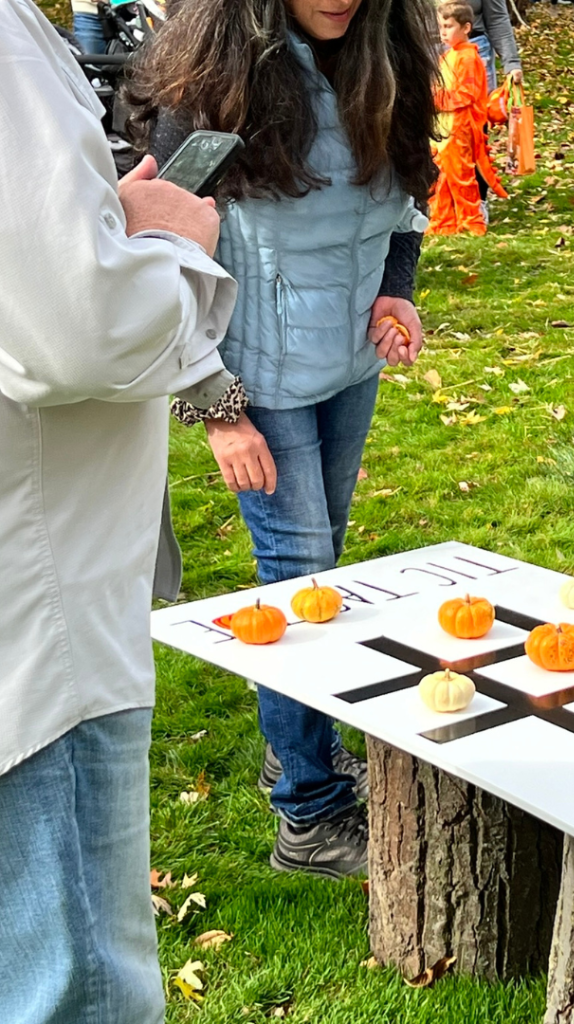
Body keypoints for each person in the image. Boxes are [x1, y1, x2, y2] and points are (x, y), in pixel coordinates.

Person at [127, 0, 437, 879]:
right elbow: (153, 253)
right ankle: (309, 813)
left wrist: (396, 294)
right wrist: (215, 406)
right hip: (253, 383)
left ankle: (294, 746)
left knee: (322, 575)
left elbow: (408, 201)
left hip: (347, 368)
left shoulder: (391, 63)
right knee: (297, 580)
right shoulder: (217, 85)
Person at [0, 1, 237, 1021]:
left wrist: (101, 221)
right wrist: (173, 241)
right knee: (77, 986)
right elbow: (81, 328)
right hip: (40, 646)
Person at [429, 2, 508, 236]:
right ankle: (442, 221)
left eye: (448, 26)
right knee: (440, 178)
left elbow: (467, 94)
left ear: (466, 28)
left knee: (462, 177)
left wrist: (434, 100)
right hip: (442, 128)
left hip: (460, 128)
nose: (443, 31)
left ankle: (472, 221)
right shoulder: (446, 57)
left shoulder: (469, 58)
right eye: (441, 26)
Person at [466, 0, 524, 93]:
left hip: (475, 53)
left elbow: (497, 18)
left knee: (482, 106)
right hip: (434, 55)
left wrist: (511, 63)